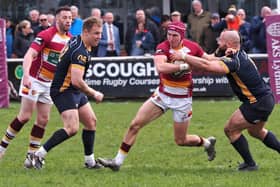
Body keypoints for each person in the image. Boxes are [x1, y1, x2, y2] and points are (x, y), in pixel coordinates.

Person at [97, 21, 216, 171]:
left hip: (182, 100)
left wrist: (223, 54)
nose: (171, 38)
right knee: (135, 125)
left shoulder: (192, 47)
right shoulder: (163, 47)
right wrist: (184, 65)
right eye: (169, 34)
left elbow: (208, 59)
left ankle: (206, 143)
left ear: (182, 36)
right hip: (163, 95)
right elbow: (161, 67)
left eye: (175, 35)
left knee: (181, 140)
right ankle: (117, 162)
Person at [180, 30, 280, 171]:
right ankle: (253, 163)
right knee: (257, 132)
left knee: (230, 130)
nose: (217, 42)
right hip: (265, 99)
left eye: (220, 40)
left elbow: (206, 65)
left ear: (227, 44)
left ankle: (250, 165)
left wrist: (184, 56)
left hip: (256, 103)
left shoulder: (234, 61)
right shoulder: (239, 54)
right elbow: (210, 59)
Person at [0, 6, 72, 168]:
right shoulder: (46, 34)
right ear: (57, 19)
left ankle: (31, 157)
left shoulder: (71, 39)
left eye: (70, 18)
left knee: (43, 120)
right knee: (25, 116)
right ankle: (2, 147)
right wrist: (26, 75)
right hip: (34, 79)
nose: (68, 20)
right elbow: (29, 55)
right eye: (65, 17)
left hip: (50, 84)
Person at [32, 16, 104, 170]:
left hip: (73, 89)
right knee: (72, 128)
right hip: (63, 90)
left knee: (91, 122)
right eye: (96, 33)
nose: (100, 37)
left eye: (100, 33)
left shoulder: (78, 40)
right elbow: (77, 81)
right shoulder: (80, 51)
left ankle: (89, 162)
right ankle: (38, 154)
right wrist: (94, 93)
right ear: (86, 32)